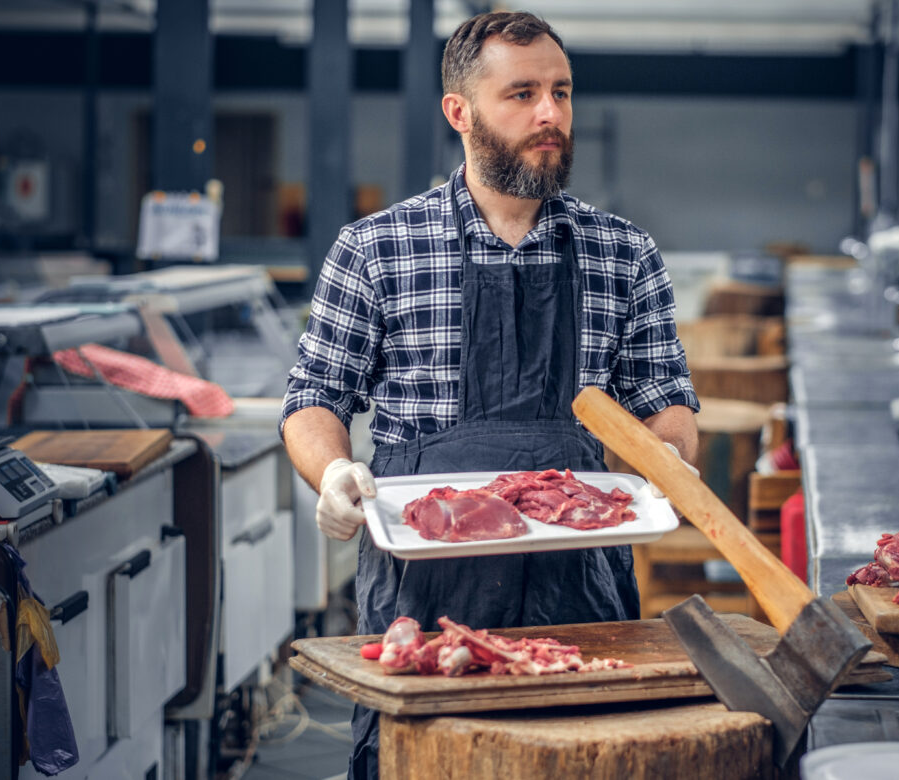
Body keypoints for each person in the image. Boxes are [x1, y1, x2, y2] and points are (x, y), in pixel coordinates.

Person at [280, 11, 698, 777]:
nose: (551, 114)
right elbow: (315, 396)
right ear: (459, 112)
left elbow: (662, 398)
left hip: (582, 594)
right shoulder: (376, 250)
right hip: (426, 596)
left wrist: (668, 460)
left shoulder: (624, 254)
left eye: (562, 92)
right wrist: (333, 474)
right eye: (523, 94)